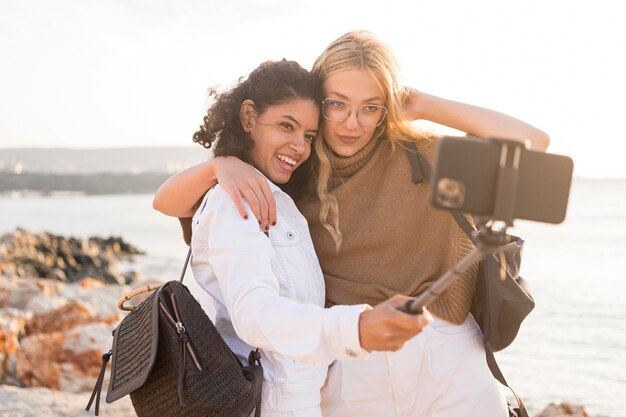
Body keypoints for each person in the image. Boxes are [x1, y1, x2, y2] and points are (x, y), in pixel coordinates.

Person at [154, 32, 550, 417]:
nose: (352, 123)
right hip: (348, 362)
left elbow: (533, 143)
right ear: (317, 101)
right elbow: (169, 203)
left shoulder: (423, 155)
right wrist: (219, 166)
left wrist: (421, 103)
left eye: (370, 106)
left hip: (445, 352)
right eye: (337, 104)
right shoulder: (294, 169)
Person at [183, 59, 431, 417]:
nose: (299, 147)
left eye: (309, 136)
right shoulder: (234, 200)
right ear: (249, 118)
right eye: (287, 126)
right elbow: (254, 313)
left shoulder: (281, 201)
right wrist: (356, 328)